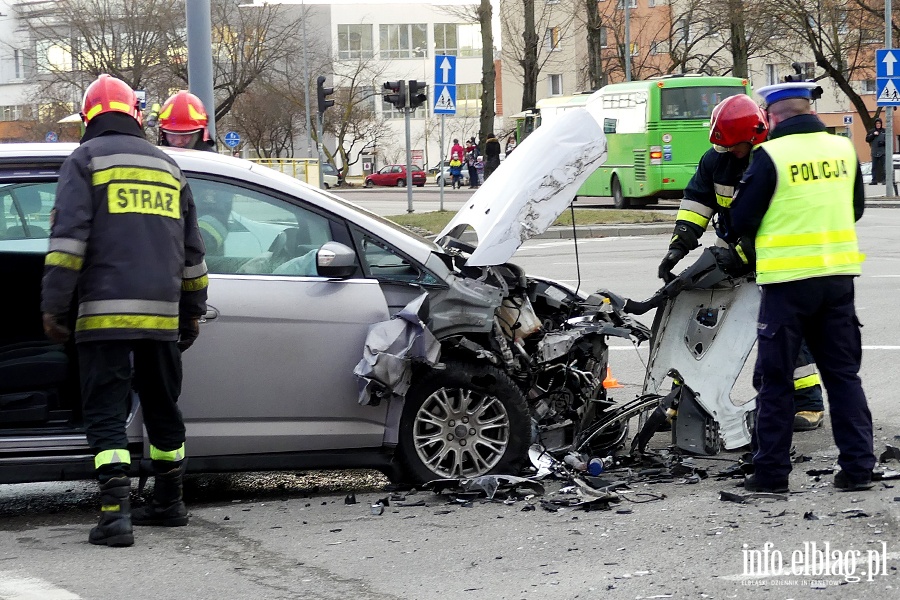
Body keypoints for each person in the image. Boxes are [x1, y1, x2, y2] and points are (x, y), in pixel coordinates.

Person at [41, 74, 208, 546]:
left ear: (89, 116)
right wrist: (192, 310)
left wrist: (54, 307)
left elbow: (69, 244)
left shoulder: (85, 160)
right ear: (136, 116)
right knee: (162, 408)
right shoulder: (168, 166)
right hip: (161, 317)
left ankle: (115, 516)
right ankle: (170, 501)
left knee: (106, 412)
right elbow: (193, 253)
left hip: (103, 317)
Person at [725, 81, 874, 493]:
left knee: (775, 380)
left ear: (773, 115)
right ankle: (858, 468)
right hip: (838, 279)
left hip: (787, 283)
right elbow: (856, 208)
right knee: (844, 376)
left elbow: (742, 220)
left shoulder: (771, 154)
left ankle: (772, 475)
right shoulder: (843, 150)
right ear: (808, 109)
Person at [659, 94, 826, 432]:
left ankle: (808, 403)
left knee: (783, 328)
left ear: (754, 137)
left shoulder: (773, 159)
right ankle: (682, 401)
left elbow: (778, 218)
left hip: (774, 255)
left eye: (736, 147)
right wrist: (679, 246)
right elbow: (697, 204)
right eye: (725, 147)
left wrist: (742, 254)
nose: (730, 152)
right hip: (729, 253)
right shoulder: (717, 159)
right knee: (701, 323)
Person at [865, 117, 886, 185]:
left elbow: (888, 140)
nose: (878, 125)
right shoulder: (872, 131)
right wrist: (873, 135)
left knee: (884, 166)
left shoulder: (884, 131)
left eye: (879, 123)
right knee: (874, 167)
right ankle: (874, 180)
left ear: (881, 124)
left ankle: (884, 179)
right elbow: (867, 139)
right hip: (874, 152)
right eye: (877, 123)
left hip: (882, 152)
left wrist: (883, 143)